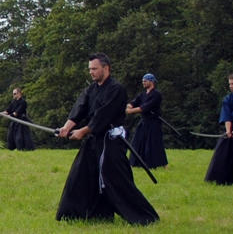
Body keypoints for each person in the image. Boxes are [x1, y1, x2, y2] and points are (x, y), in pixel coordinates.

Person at [54, 53, 159, 226]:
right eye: (90, 69)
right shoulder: (91, 89)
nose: (91, 72)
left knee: (116, 181)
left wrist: (83, 131)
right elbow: (80, 108)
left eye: (95, 69)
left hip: (110, 142)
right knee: (80, 176)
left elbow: (103, 115)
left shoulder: (116, 90)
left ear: (106, 68)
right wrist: (67, 127)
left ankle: (144, 217)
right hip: (94, 140)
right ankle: (82, 214)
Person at [126, 73, 167, 169]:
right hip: (144, 121)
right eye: (143, 80)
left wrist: (131, 111)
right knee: (137, 141)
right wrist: (129, 106)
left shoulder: (156, 94)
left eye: (145, 80)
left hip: (153, 122)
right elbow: (134, 102)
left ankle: (162, 165)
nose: (143, 82)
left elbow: (145, 107)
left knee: (155, 143)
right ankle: (133, 164)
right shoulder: (143, 94)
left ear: (152, 82)